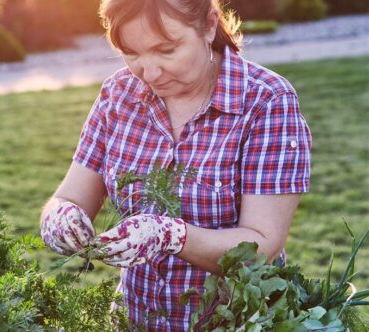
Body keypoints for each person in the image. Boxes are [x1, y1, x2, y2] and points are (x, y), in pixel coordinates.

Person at [40, 0, 312, 330]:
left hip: (233, 321)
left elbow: (261, 247)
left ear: (209, 25)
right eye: (132, 53)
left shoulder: (266, 102)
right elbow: (69, 196)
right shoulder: (118, 95)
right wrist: (60, 218)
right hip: (135, 319)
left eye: (166, 50)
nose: (149, 73)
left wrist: (169, 234)